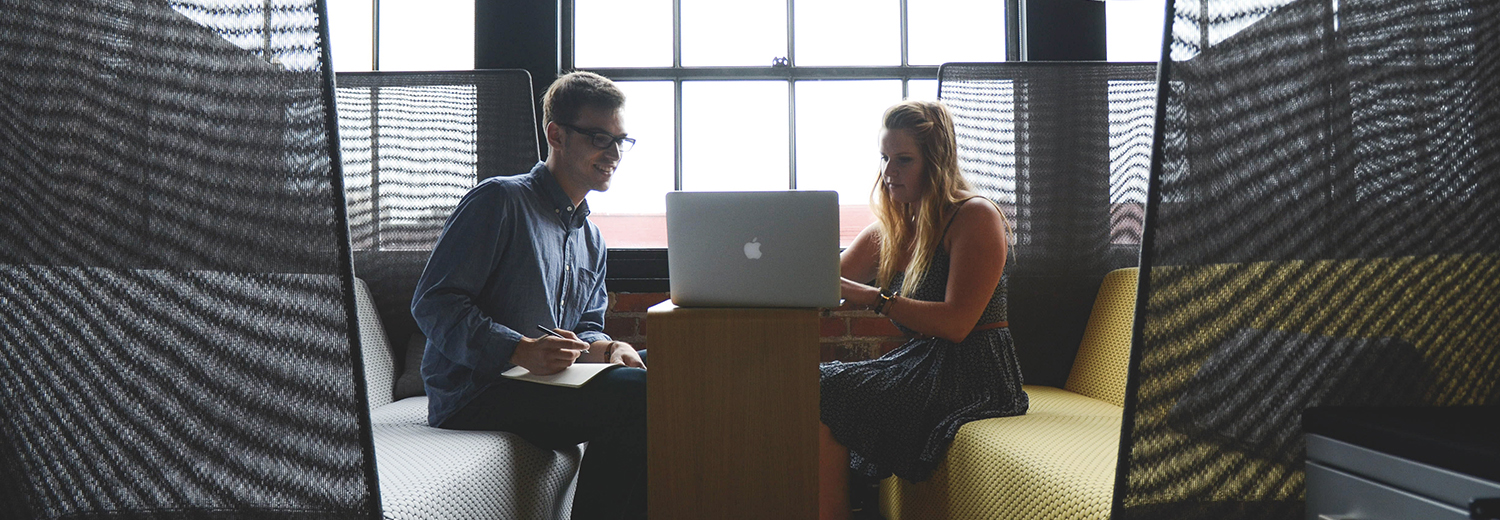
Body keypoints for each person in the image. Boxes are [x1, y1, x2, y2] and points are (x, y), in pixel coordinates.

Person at [411, 71, 647, 520]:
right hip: (476, 390)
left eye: (622, 140)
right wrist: (519, 349)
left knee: (673, 377)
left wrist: (607, 347)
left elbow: (585, 328)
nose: (614, 153)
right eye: (600, 138)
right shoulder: (499, 200)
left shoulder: (591, 238)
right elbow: (434, 302)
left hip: (545, 386)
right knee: (638, 397)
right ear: (556, 134)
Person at [818, 100, 1028, 520]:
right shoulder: (893, 229)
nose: (888, 172)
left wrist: (872, 297)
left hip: (976, 371)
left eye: (903, 160)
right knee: (814, 384)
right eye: (884, 158)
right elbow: (822, 281)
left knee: (826, 389)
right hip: (923, 364)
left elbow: (956, 324)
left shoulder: (975, 217)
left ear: (936, 162)